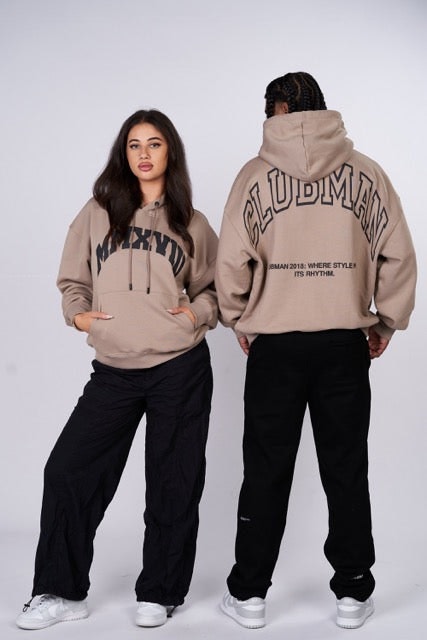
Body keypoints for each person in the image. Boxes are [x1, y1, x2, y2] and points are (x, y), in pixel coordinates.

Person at [215, 71, 416, 630]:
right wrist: (387, 320)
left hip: (275, 348)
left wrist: (240, 317)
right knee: (346, 469)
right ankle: (352, 593)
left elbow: (230, 263)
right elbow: (398, 255)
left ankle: (249, 595)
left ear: (272, 112)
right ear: (322, 108)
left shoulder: (253, 177)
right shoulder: (367, 174)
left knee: (265, 470)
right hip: (342, 346)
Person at [16, 109, 218, 630]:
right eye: (134, 145)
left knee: (173, 481)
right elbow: (72, 279)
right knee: (68, 470)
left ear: (170, 152)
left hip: (179, 367)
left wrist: (194, 314)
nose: (144, 154)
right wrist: (78, 314)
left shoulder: (192, 222)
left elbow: (214, 289)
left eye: (154, 143)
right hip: (114, 369)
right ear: (123, 154)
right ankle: (60, 591)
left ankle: (160, 592)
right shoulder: (97, 212)